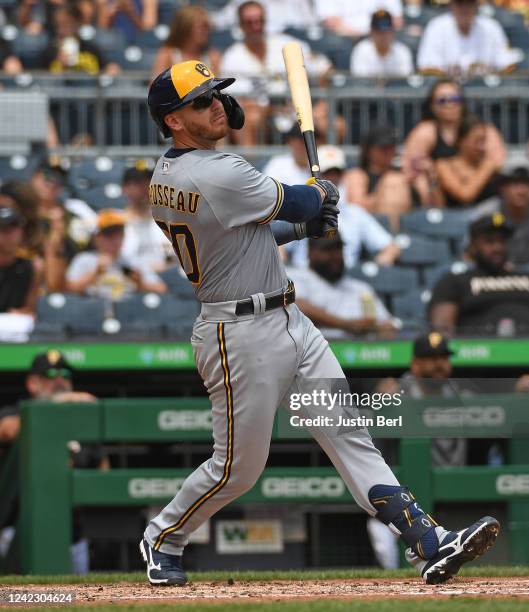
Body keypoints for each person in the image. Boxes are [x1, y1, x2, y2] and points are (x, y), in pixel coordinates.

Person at [139, 58, 499, 587]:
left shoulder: (170, 174)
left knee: (347, 431)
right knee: (239, 467)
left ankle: (428, 540)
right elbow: (301, 199)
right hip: (238, 334)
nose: (217, 106)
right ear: (172, 120)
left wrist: (302, 230)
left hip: (288, 319)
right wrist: (322, 195)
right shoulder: (218, 171)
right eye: (201, 102)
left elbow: (242, 239)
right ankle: (163, 535)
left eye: (217, 96)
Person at [0, 350, 105, 574]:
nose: (59, 381)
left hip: (72, 536)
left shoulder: (82, 422)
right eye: (50, 375)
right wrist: (58, 402)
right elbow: (7, 430)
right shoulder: (16, 412)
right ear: (32, 383)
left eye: (65, 375)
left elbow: (103, 468)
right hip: (18, 533)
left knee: (76, 601)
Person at [369, 332, 467, 569]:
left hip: (454, 490)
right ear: (415, 364)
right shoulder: (394, 393)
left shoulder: (460, 393)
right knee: (381, 532)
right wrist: (377, 403)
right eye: (431, 359)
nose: (439, 366)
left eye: (443, 358)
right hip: (405, 491)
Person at [220, 1, 331, 145]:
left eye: (260, 21)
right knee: (250, 119)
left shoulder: (285, 45)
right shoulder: (232, 57)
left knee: (334, 124)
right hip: (262, 119)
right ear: (241, 25)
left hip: (295, 114)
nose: (256, 27)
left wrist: (321, 104)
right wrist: (268, 109)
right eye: (249, 22)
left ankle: (322, 166)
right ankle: (249, 166)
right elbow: (235, 102)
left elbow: (324, 68)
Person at [285, 145, 401, 268]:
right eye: (326, 173)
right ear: (312, 176)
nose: (332, 178)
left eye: (337, 173)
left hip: (343, 278)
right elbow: (279, 247)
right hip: (305, 280)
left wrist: (373, 270)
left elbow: (391, 247)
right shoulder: (299, 210)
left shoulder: (355, 213)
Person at [403, 79, 505, 204]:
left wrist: (473, 175)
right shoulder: (426, 133)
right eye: (442, 100)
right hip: (440, 193)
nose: (449, 104)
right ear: (432, 105)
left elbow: (498, 163)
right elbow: (412, 170)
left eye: (455, 99)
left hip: (484, 192)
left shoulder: (484, 130)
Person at [429, 212, 529, 335]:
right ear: (473, 246)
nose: (497, 248)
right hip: (477, 351)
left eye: (502, 241)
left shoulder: (525, 278)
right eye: (489, 241)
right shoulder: (456, 281)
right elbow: (442, 329)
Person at [286, 233, 397, 339]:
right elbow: (295, 307)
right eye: (328, 250)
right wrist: (347, 325)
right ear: (310, 253)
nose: (335, 255)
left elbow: (387, 325)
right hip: (312, 352)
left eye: (338, 248)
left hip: (356, 352)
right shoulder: (296, 277)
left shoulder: (361, 288)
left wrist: (376, 328)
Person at [66, 209, 166, 301]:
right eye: (108, 235)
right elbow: (67, 290)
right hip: (93, 311)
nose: (115, 240)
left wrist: (140, 284)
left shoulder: (132, 262)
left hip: (128, 312)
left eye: (118, 234)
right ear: (96, 237)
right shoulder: (84, 260)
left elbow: (161, 290)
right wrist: (94, 275)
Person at [30, 161, 97, 292]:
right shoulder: (20, 215)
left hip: (65, 285)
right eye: (47, 176)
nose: (52, 183)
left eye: (59, 180)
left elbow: (84, 254)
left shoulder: (74, 218)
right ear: (34, 177)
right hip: (27, 282)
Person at [344, 125, 419, 230]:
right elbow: (357, 210)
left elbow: (431, 209)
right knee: (393, 180)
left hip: (410, 226)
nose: (388, 152)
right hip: (373, 229)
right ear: (369, 150)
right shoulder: (358, 175)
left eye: (392, 147)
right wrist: (384, 187)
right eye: (383, 147)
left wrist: (424, 180)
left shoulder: (403, 174)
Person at [417, 0, 520, 76]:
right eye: (460, 4)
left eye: (469, 3)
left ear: (477, 5)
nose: (465, 9)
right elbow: (426, 67)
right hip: (450, 94)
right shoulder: (436, 26)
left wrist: (488, 74)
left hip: (485, 93)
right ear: (451, 5)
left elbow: (508, 64)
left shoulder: (491, 26)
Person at [435, 115, 500, 208]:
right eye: (477, 141)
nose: (482, 147)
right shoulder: (444, 165)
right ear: (461, 141)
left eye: (484, 141)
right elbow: (465, 196)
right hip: (455, 220)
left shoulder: (492, 168)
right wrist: (486, 169)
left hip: (492, 220)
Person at [36, 4, 119, 75]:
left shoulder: (91, 48)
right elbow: (43, 81)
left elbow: (108, 67)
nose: (61, 30)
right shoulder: (50, 51)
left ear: (78, 23)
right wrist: (60, 66)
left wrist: (111, 69)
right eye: (58, 25)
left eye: (67, 24)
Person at [472, 165, 529, 266]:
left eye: (526, 184)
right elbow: (470, 253)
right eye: (515, 184)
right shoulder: (486, 213)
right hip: (492, 274)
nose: (522, 191)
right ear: (501, 188)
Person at [120, 167, 173, 273]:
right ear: (125, 189)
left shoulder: (168, 219)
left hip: (164, 277)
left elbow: (173, 255)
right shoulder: (114, 221)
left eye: (148, 183)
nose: (145, 189)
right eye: (138, 184)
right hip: (129, 279)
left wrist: (168, 264)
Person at [0, 206, 41, 342]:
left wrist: (22, 313)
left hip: (13, 328)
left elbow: (30, 309)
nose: (11, 234)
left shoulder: (31, 266)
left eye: (15, 227)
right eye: (4, 229)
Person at [151, 6, 221, 80]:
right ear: (186, 27)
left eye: (207, 27)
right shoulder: (166, 55)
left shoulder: (213, 57)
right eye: (202, 26)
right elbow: (155, 87)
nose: (206, 31)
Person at [350, 9, 413, 78]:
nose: (383, 36)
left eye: (386, 32)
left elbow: (406, 83)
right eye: (378, 32)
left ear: (392, 32)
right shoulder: (361, 51)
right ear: (371, 32)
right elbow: (359, 82)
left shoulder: (402, 52)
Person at [315, 0, 403, 38]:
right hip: (345, 38)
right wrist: (358, 34)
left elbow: (397, 20)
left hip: (377, 36)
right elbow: (331, 21)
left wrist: (373, 33)